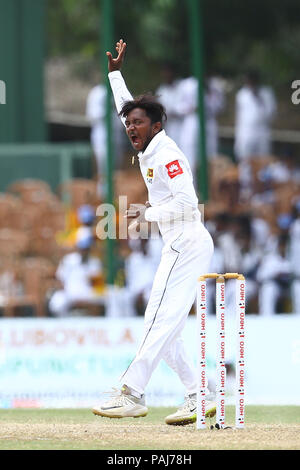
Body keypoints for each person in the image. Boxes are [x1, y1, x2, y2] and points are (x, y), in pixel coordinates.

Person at [92, 39, 216, 425]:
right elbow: (125, 107)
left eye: (138, 123)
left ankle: (130, 392)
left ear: (156, 125)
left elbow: (188, 205)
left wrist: (148, 213)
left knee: (156, 321)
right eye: (128, 123)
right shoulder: (148, 146)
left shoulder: (168, 155)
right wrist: (115, 75)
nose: (130, 127)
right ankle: (201, 394)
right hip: (179, 244)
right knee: (168, 330)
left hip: (186, 242)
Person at [234, 70, 277, 199]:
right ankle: (245, 191)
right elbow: (239, 117)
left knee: (263, 162)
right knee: (245, 163)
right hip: (246, 132)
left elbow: (272, 114)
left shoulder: (266, 93)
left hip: (262, 132)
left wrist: (259, 98)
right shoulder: (241, 94)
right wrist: (238, 138)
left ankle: (263, 191)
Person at [48, 227, 105, 317]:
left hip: (87, 294)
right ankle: (63, 324)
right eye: (82, 248)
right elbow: (59, 280)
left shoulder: (95, 262)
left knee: (106, 299)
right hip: (69, 293)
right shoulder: (69, 260)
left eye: (86, 248)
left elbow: (97, 286)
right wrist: (66, 291)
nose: (84, 251)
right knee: (57, 301)